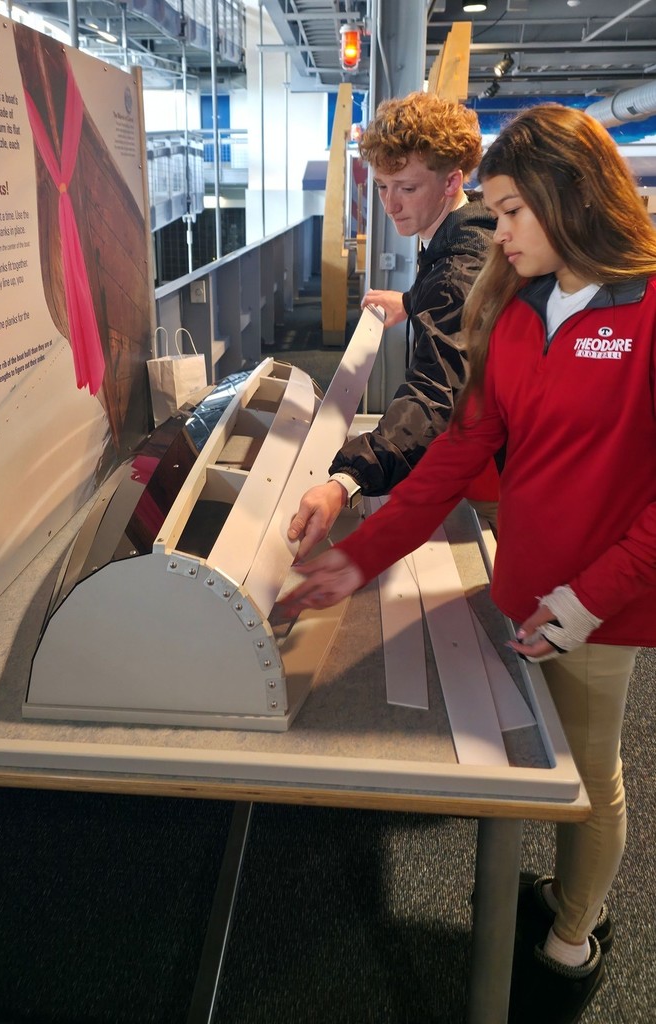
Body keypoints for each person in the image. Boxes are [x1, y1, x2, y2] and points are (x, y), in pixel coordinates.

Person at [281, 103, 656, 1024]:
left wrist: (585, 603)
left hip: (603, 605)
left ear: (573, 198)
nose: (500, 231)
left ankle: (573, 937)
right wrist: (359, 556)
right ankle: (555, 897)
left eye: (514, 211)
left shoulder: (647, 311)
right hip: (523, 580)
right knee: (535, 759)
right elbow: (461, 448)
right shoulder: (514, 303)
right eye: (494, 209)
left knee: (588, 772)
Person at [288, 91, 499, 559]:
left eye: (406, 188)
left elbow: (434, 393)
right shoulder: (468, 228)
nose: (389, 204)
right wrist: (410, 300)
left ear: (451, 182)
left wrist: (348, 480)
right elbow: (462, 307)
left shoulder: (457, 270)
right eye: (382, 186)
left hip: (499, 476)